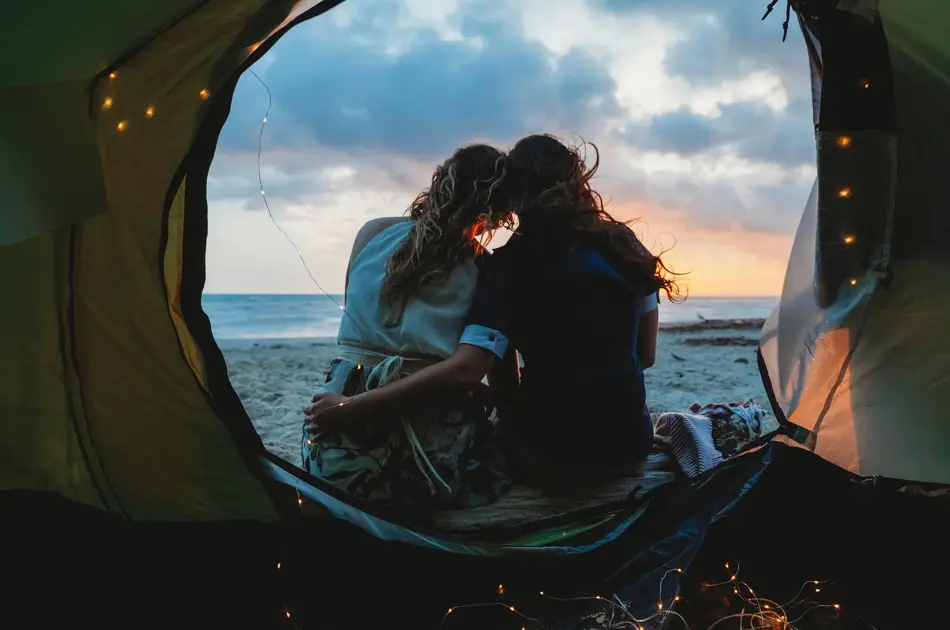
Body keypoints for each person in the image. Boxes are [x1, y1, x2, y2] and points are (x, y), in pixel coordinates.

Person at [306, 134, 680, 482]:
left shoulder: (507, 263)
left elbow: (480, 376)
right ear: (579, 183)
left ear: (515, 199)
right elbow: (645, 355)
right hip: (629, 446)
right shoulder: (624, 245)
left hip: (551, 458)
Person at [301, 144, 513, 508]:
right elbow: (470, 368)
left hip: (329, 454)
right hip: (414, 466)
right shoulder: (486, 267)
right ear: (496, 216)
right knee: (498, 467)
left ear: (437, 178)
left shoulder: (371, 233)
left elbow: (364, 322)